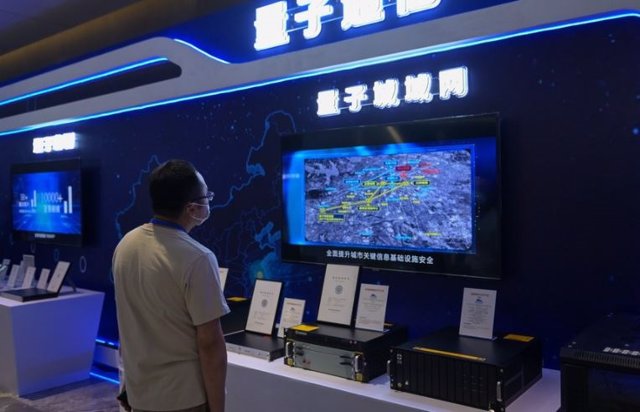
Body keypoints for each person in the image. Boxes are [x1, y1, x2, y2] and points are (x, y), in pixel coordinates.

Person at [113, 159, 229, 412]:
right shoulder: (198, 258)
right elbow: (210, 344)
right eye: (206, 196)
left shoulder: (126, 245)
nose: (208, 202)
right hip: (184, 399)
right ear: (191, 208)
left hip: (140, 394)